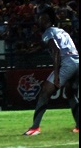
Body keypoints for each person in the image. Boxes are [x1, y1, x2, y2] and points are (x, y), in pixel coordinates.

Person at [23, 7, 79, 135]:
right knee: (71, 94)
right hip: (77, 61)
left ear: (46, 20)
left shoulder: (47, 33)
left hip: (66, 63)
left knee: (44, 92)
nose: (38, 21)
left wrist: (56, 75)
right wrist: (32, 51)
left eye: (41, 18)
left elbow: (56, 51)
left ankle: (35, 128)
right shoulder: (61, 31)